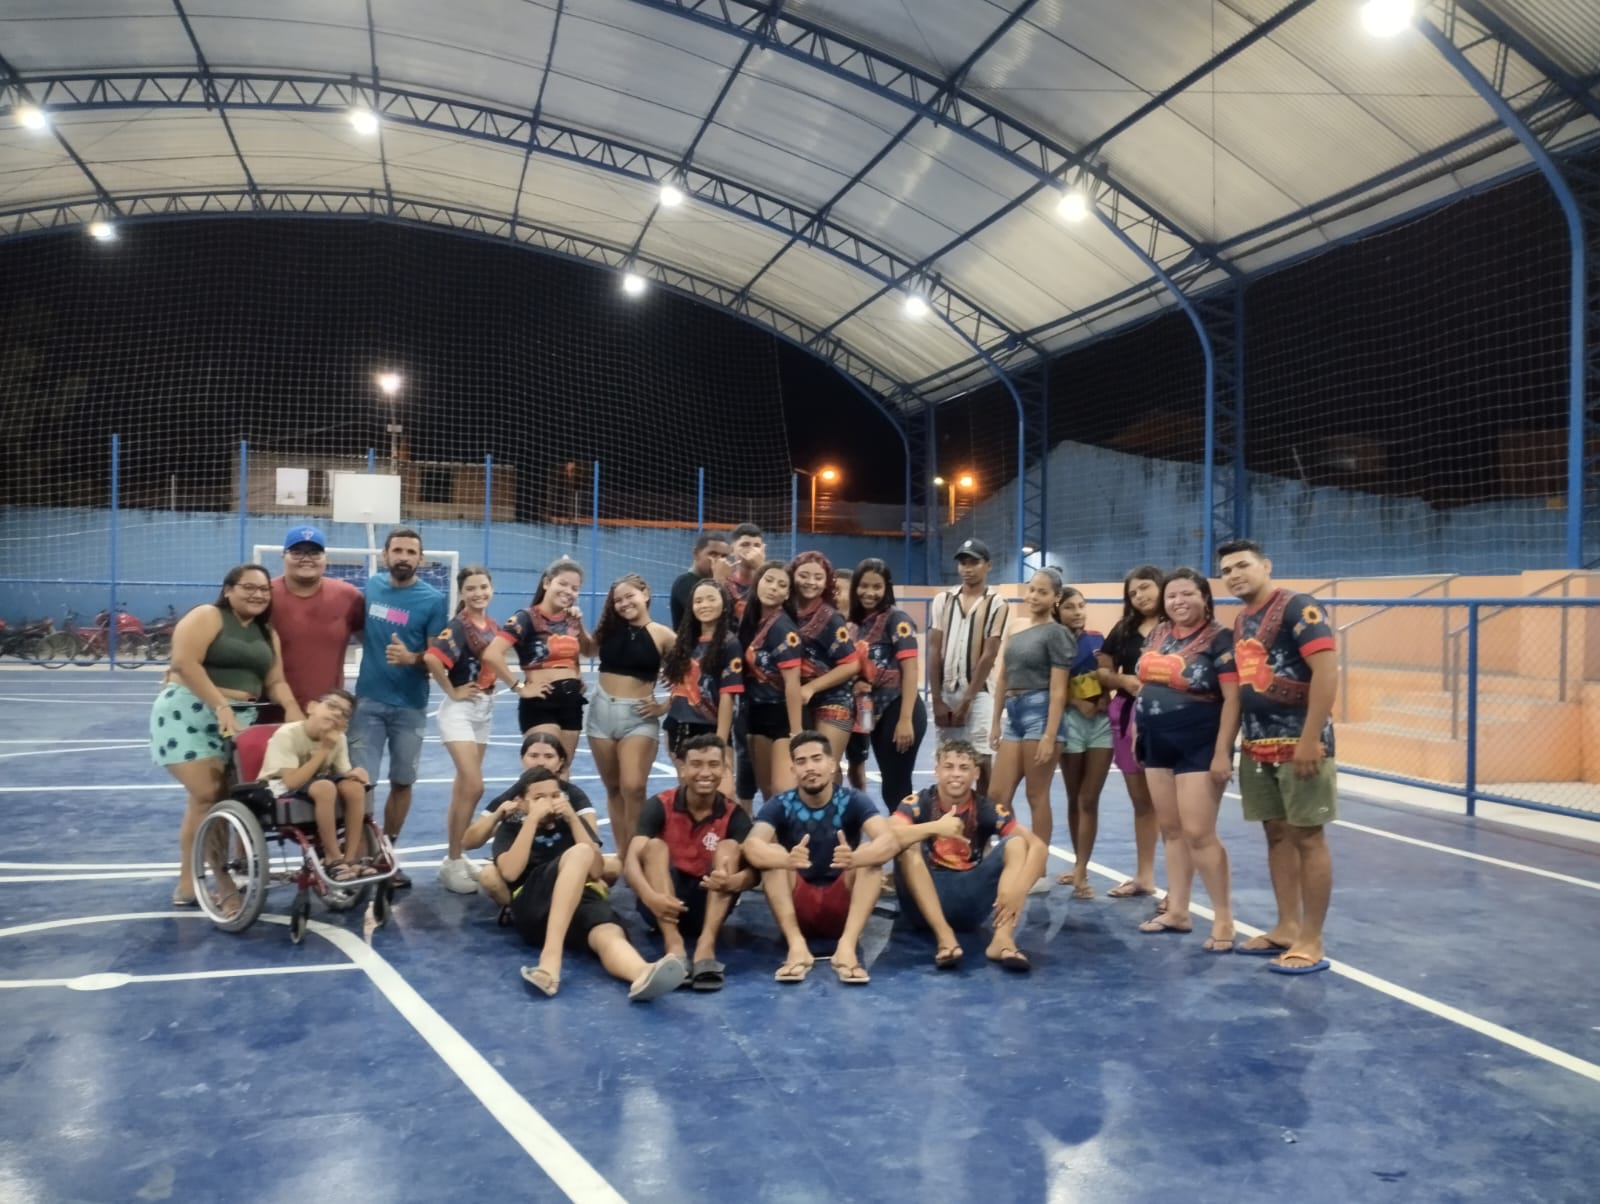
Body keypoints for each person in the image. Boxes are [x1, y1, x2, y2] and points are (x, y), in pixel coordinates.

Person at [154, 563, 304, 913]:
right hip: (188, 713)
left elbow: (275, 681)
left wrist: (293, 710)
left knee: (208, 800)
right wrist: (220, 704)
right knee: (209, 795)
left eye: (264, 589)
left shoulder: (267, 633)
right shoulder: (208, 616)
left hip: (239, 720)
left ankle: (188, 882)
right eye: (248, 587)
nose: (257, 594)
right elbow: (184, 663)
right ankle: (223, 884)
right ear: (228, 590)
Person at [1219, 539, 1339, 975]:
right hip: (1257, 745)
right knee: (1276, 836)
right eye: (1226, 570)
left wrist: (1309, 739)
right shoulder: (1241, 620)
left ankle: (1312, 938)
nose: (1235, 575)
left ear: (1266, 566)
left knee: (1308, 837)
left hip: (1301, 745)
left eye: (1243, 565)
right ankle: (1287, 926)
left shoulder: (1298, 608)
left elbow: (1326, 671)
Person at [495, 768, 686, 1001]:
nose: (548, 802)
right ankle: (550, 961)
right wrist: (532, 820)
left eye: (555, 795)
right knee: (581, 852)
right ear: (522, 802)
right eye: (538, 798)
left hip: (579, 899)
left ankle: (641, 973)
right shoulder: (511, 828)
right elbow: (510, 872)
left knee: (608, 932)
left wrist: (573, 819)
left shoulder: (571, 823)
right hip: (533, 902)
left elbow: (596, 870)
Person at [1133, 568, 1239, 953]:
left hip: (1199, 745)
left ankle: (1223, 917)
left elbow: (1233, 699)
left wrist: (1223, 751)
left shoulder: (1220, 638)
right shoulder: (1158, 634)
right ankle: (1178, 910)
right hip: (1157, 743)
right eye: (1172, 595)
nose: (1178, 601)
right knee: (1171, 830)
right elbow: (1146, 684)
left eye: (1187, 594)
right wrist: (1138, 729)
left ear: (1205, 597)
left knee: (1198, 832)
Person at [742, 732, 898, 984]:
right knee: (774, 856)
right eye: (801, 761)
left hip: (843, 903)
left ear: (832, 764)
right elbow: (751, 846)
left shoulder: (853, 800)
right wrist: (787, 861)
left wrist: (854, 858)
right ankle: (796, 946)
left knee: (870, 857)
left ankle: (846, 947)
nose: (809, 767)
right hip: (798, 903)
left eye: (816, 759)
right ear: (793, 769)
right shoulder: (781, 803)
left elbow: (888, 841)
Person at [891, 739, 1047, 971]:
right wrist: (934, 828)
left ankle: (1002, 939)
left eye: (964, 768)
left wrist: (1018, 891)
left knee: (1016, 844)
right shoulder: (917, 803)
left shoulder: (986, 808)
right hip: (921, 904)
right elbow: (886, 835)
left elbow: (1038, 847)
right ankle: (944, 936)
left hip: (969, 903)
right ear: (936, 771)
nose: (956, 774)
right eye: (949, 767)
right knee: (906, 843)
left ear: (976, 773)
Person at [348, 527, 448, 887]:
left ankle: (385, 852)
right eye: (398, 550)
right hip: (368, 702)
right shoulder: (372, 587)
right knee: (360, 783)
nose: (404, 557)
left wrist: (412, 658)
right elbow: (360, 631)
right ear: (385, 555)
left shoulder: (433, 600)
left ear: (421, 559)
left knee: (403, 782)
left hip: (410, 706)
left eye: (411, 552)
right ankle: (360, 854)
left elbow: (437, 655)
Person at [624, 734, 757, 991]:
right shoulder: (659, 805)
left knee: (729, 847)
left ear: (724, 769)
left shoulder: (735, 814)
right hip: (661, 902)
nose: (705, 772)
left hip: (709, 903)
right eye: (696, 764)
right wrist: (649, 897)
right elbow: (631, 861)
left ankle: (706, 945)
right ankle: (673, 943)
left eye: (713, 764)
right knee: (653, 847)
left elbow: (755, 873)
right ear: (682, 769)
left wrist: (734, 881)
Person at [988, 568, 1073, 885]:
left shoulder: (1057, 633)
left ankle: (1038, 869)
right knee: (997, 795)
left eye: (1042, 592)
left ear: (1056, 597)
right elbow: (1003, 677)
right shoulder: (1016, 626)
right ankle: (1015, 855)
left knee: (1037, 794)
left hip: (1041, 712)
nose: (1034, 596)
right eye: (1032, 589)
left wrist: (1050, 734)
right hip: (1014, 714)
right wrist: (996, 722)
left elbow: (1059, 690)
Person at [423, 565, 499, 893]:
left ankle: (454, 858)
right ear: (462, 593)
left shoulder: (492, 625)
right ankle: (453, 859)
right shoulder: (458, 626)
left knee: (463, 789)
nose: (478, 593)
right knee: (474, 785)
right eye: (471, 588)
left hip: (484, 709)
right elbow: (431, 659)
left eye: (483, 587)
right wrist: (452, 691)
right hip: (459, 712)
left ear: (491, 589)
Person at [587, 574, 675, 857]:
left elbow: (690, 675)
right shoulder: (609, 630)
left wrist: (665, 706)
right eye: (618, 600)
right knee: (614, 788)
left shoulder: (663, 635)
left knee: (634, 787)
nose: (624, 603)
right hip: (601, 714)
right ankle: (624, 854)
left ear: (645, 594)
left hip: (638, 716)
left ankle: (638, 855)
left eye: (630, 596)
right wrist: (577, 628)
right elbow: (587, 650)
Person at [468, 731, 606, 908]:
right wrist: (497, 819)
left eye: (548, 756)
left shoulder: (573, 796)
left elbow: (592, 848)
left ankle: (573, 898)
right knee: (490, 876)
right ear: (522, 759)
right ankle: (514, 909)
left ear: (560, 762)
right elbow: (469, 842)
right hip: (528, 872)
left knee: (610, 867)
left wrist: (572, 819)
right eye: (533, 756)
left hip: (564, 862)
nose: (540, 762)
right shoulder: (511, 800)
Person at [483, 556, 595, 766]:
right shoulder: (525, 618)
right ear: (546, 583)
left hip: (571, 701)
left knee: (562, 769)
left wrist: (579, 624)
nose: (568, 591)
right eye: (562, 584)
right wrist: (519, 687)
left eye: (575, 588)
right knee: (541, 769)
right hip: (541, 700)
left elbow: (590, 651)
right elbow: (492, 654)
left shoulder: (571, 619)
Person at [1099, 565, 1166, 900]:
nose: (1140, 596)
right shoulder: (1124, 628)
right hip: (1126, 717)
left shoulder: (1178, 626)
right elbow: (1103, 668)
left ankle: (1179, 890)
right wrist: (1120, 680)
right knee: (1141, 803)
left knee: (1172, 807)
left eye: (1145, 587)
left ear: (1161, 585)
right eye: (1133, 592)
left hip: (1168, 718)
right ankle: (1144, 877)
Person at [258, 688, 373, 882]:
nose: (337, 714)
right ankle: (332, 858)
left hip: (316, 783)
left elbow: (343, 773)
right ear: (311, 707)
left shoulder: (339, 738)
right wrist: (324, 749)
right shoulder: (287, 734)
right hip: (279, 788)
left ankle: (350, 858)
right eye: (332, 706)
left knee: (353, 788)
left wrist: (356, 774)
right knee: (324, 787)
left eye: (344, 714)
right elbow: (292, 782)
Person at [927, 538, 1008, 798]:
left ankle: (982, 819)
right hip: (946, 691)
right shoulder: (943, 600)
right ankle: (948, 813)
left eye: (974, 562)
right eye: (963, 562)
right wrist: (936, 699)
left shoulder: (996, 603)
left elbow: (989, 654)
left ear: (988, 565)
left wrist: (968, 700)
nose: (967, 568)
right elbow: (934, 649)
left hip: (979, 693)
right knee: (947, 760)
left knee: (983, 760)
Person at [848, 557, 927, 813]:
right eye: (864, 586)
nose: (869, 593)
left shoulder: (897, 619)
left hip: (899, 708)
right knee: (890, 787)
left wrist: (905, 719)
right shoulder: (857, 624)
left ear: (887, 588)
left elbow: (911, 670)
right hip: (874, 712)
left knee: (897, 787)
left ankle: (912, 836)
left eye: (877, 587)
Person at [269, 525, 366, 711]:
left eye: (314, 553)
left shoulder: (349, 596)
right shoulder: (263, 596)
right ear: (283, 556)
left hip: (327, 712)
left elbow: (373, 643)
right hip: (270, 708)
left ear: (325, 558)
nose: (306, 559)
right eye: (297, 552)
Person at [1055, 587, 1112, 897]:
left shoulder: (1097, 639)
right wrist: (1078, 702)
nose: (1077, 612)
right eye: (1069, 607)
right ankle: (1080, 865)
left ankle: (1081, 870)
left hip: (1101, 725)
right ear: (1057, 610)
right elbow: (1052, 686)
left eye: (1081, 606)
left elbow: (1108, 675)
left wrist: (1104, 698)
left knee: (1089, 798)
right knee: (1074, 796)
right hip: (1070, 722)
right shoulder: (1053, 640)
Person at [737, 559, 805, 803]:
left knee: (782, 791)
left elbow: (792, 683)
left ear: (787, 595)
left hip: (781, 716)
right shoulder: (751, 621)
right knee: (767, 791)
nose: (773, 587)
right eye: (769, 580)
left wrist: (796, 732)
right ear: (758, 583)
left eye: (781, 585)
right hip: (755, 713)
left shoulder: (783, 628)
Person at [662, 580, 743, 777]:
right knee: (689, 788)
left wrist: (720, 741)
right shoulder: (685, 641)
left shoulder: (730, 644)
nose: (704, 605)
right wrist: (662, 707)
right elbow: (681, 686)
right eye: (698, 601)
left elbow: (727, 696)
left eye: (711, 599)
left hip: (712, 727)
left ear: (724, 604)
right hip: (679, 725)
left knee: (723, 788)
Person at [788, 550, 860, 765]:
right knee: (801, 767)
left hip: (833, 700)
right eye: (804, 575)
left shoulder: (831, 617)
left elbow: (851, 664)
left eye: (818, 577)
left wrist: (811, 688)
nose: (810, 582)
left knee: (825, 768)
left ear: (827, 582)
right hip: (795, 701)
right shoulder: (784, 611)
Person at [718, 523, 766, 810]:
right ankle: (743, 817)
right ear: (733, 549)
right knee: (741, 747)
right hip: (732, 676)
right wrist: (717, 582)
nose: (751, 551)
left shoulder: (772, 581)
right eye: (745, 544)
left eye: (756, 545)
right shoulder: (723, 584)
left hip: (768, 678)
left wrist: (762, 572)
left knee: (768, 750)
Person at [669, 532, 730, 630]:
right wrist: (718, 580)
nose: (719, 561)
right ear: (696, 554)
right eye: (713, 554)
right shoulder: (684, 582)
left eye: (723, 556)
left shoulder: (725, 583)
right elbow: (708, 617)